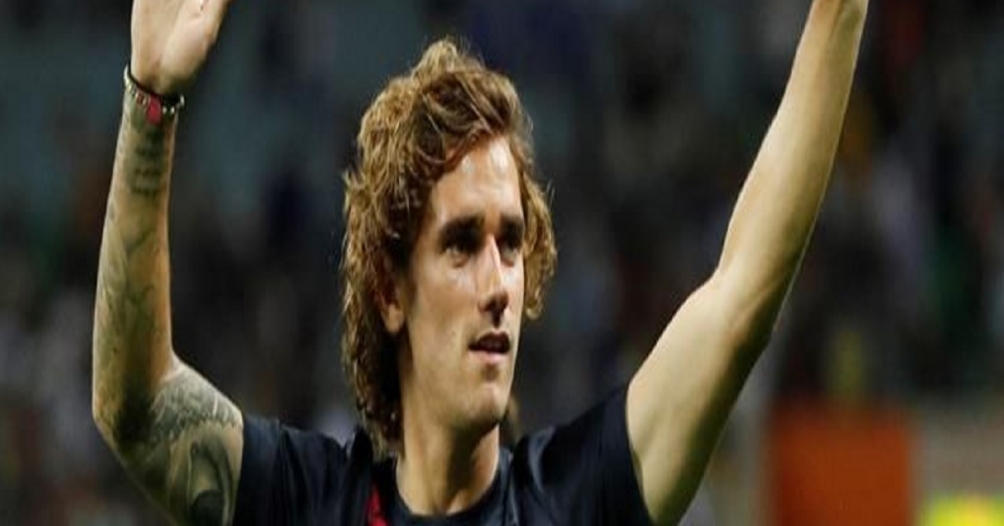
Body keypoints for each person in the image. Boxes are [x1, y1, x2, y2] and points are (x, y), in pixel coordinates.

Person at [91, 0, 869, 524]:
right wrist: (150, 101)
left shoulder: (575, 501)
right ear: (390, 291)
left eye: (512, 243)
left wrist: (842, 9)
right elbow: (136, 408)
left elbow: (741, 298)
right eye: (461, 244)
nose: (499, 284)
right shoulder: (310, 504)